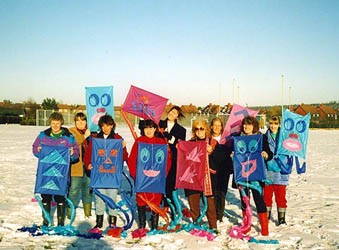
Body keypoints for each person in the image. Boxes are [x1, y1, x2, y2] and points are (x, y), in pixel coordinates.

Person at [32, 112, 79, 226]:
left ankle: (60, 223)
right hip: (46, 174)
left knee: (60, 197)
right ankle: (46, 221)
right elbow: (35, 149)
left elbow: (76, 153)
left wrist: (72, 154)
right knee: (46, 197)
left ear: (61, 123)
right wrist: (39, 151)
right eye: (53, 123)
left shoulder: (69, 137)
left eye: (57, 123)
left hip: (61, 175)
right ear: (50, 123)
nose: (55, 126)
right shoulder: (43, 136)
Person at [84, 114, 128, 229]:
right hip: (99, 175)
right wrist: (88, 164)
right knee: (99, 199)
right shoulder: (95, 139)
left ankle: (112, 222)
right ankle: (99, 223)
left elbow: (124, 157)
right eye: (103, 126)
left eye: (108, 126)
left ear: (112, 126)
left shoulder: (118, 139)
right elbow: (88, 154)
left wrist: (123, 148)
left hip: (112, 175)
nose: (106, 128)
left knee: (112, 198)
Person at [232, 116, 273, 236]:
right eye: (244, 124)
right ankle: (247, 224)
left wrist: (266, 155)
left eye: (249, 125)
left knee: (259, 199)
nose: (246, 127)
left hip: (256, 174)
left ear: (254, 126)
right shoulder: (238, 138)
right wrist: (233, 155)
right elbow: (234, 155)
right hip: (242, 174)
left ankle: (264, 226)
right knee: (244, 200)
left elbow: (269, 154)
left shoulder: (261, 138)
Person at [128, 119, 171, 230]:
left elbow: (167, 160)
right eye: (146, 128)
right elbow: (132, 160)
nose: (149, 130)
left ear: (155, 129)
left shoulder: (161, 142)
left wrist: (163, 175)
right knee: (141, 199)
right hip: (142, 179)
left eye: (151, 128)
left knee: (155, 200)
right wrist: (135, 176)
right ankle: (142, 225)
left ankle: (154, 226)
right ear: (143, 129)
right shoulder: (139, 141)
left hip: (156, 179)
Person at [184, 119, 218, 232]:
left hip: (208, 178)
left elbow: (221, 160)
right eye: (196, 129)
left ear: (206, 129)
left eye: (201, 128)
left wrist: (212, 152)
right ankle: (196, 223)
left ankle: (213, 225)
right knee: (193, 201)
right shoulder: (190, 143)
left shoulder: (213, 142)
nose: (199, 131)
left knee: (209, 203)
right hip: (193, 176)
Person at [159, 106, 186, 218]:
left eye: (175, 113)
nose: (172, 114)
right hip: (159, 158)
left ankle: (170, 205)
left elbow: (181, 144)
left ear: (177, 116)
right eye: (171, 111)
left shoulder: (181, 130)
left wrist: (171, 138)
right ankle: (160, 203)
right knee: (159, 181)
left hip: (173, 159)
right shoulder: (159, 123)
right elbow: (144, 128)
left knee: (170, 182)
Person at [263, 116, 289, 225]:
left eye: (275, 123)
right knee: (267, 196)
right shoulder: (264, 137)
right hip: (268, 171)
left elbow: (288, 153)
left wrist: (281, 162)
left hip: (281, 171)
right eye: (271, 123)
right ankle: (267, 215)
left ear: (279, 125)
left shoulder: (284, 137)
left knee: (281, 196)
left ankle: (281, 218)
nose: (273, 126)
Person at [68, 112, 92, 219]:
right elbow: (72, 144)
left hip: (88, 166)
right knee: (74, 189)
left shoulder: (90, 131)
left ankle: (88, 213)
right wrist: (84, 137)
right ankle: (70, 213)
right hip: (75, 165)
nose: (80, 122)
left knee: (87, 189)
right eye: (78, 120)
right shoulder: (70, 132)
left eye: (83, 120)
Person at [210, 117, 233, 222]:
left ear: (221, 127)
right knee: (213, 192)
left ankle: (220, 214)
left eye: (219, 125)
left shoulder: (227, 140)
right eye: (215, 125)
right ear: (211, 127)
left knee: (222, 192)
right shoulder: (207, 139)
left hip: (224, 169)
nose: (216, 127)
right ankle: (213, 213)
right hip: (212, 169)